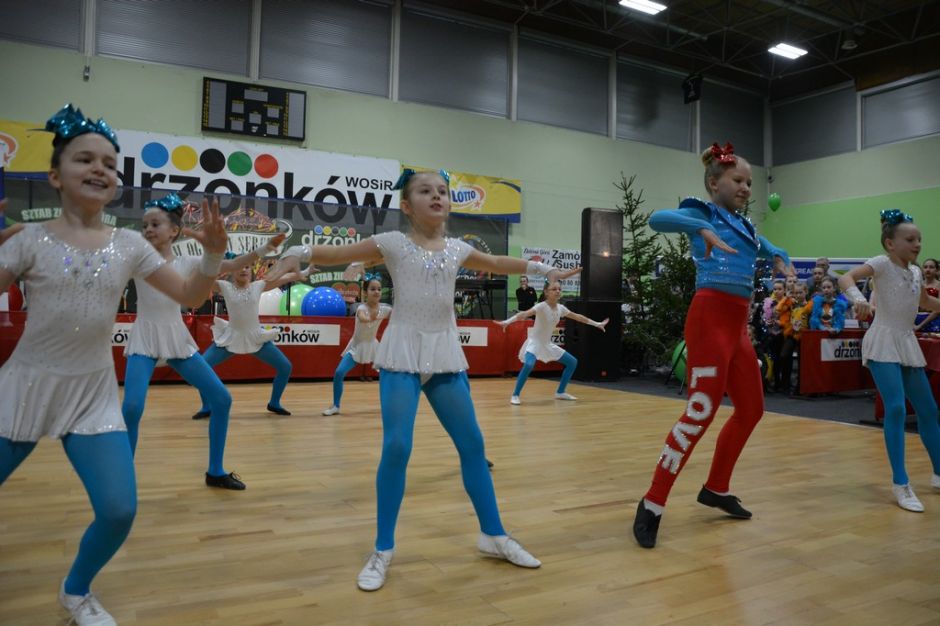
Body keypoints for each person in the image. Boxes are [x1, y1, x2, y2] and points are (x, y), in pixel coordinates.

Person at [266, 168, 569, 591]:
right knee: (397, 446)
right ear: (407, 206)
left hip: (443, 353)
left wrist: (542, 267)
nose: (437, 196)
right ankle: (382, 549)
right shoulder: (393, 243)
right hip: (403, 354)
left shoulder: (458, 248)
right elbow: (339, 253)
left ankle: (494, 535)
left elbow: (498, 263)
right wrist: (299, 251)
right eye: (426, 191)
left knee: (473, 446)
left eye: (442, 191)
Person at [0, 104, 228, 625]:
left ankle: (76, 590)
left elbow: (191, 295)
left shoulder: (129, 245)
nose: (99, 168)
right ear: (55, 175)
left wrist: (214, 257)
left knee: (119, 509)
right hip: (24, 387)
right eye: (85, 159)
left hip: (92, 395)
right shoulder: (29, 240)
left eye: (109, 163)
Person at [631, 142, 791, 549]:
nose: (746, 188)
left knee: (751, 410)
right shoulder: (703, 212)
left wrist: (777, 253)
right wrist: (698, 228)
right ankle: (652, 502)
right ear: (714, 183)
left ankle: (716, 487)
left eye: (750, 182)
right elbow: (656, 219)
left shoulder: (745, 225)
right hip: (709, 320)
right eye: (738, 180)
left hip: (737, 327)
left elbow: (762, 244)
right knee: (700, 412)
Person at [121, 192, 279, 491]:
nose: (148, 230)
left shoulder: (189, 262)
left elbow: (234, 265)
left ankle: (215, 471)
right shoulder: (138, 261)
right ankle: (121, 477)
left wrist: (264, 249)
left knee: (222, 399)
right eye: (145, 225)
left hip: (176, 338)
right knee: (131, 407)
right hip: (145, 337)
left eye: (155, 224)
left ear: (174, 230)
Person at [838, 210, 940, 512]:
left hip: (906, 342)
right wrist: (858, 300)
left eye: (919, 239)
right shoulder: (882, 263)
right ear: (890, 243)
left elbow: (924, 301)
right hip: (883, 340)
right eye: (910, 239)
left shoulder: (916, 272)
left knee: (929, 410)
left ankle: (938, 473)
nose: (917, 244)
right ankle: (901, 483)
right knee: (895, 408)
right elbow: (845, 277)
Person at [191, 259, 304, 420]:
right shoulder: (225, 286)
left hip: (255, 338)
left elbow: (284, 278)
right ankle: (206, 406)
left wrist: (304, 272)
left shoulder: (258, 286)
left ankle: (274, 403)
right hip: (232, 338)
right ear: (232, 271)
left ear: (251, 271)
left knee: (285, 367)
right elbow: (204, 280)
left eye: (246, 267)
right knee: (202, 367)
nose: (243, 270)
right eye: (239, 267)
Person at [499, 277, 604, 405]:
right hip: (534, 342)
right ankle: (515, 395)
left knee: (572, 362)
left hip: (547, 344)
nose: (557, 291)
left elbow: (578, 317)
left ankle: (560, 392)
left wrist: (597, 324)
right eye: (554, 289)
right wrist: (507, 322)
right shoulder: (541, 306)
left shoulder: (561, 308)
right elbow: (524, 314)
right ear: (546, 292)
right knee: (529, 365)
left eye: (559, 289)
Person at [321, 277, 392, 416]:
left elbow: (399, 315)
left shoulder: (385, 309)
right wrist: (371, 318)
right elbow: (363, 317)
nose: (376, 292)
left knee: (387, 375)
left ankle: (389, 405)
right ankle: (335, 406)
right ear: (365, 292)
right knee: (339, 373)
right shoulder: (361, 308)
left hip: (373, 346)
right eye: (373, 289)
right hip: (357, 346)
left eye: (379, 289)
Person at [914, 258, 940, 333]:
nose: (928, 270)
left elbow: (938, 310)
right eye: (925, 267)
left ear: (936, 270)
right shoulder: (917, 285)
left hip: (933, 321)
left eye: (931, 267)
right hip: (916, 320)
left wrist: (920, 326)